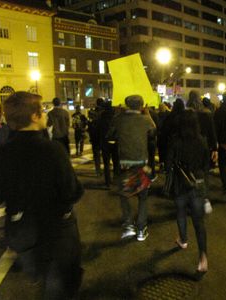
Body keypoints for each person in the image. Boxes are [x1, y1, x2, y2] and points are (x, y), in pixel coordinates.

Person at [0, 91, 83, 299]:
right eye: (41, 110)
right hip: (55, 232)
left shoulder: (2, 153)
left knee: (40, 275)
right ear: (34, 116)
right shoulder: (52, 150)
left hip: (22, 232)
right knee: (59, 287)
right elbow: (72, 192)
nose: (44, 114)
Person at [166, 110, 209, 272]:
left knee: (181, 212)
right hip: (197, 184)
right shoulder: (203, 141)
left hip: (180, 184)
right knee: (199, 222)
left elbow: (168, 163)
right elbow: (206, 166)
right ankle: (203, 257)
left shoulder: (175, 141)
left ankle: (183, 240)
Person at [110, 95, 155, 241]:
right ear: (141, 105)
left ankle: (129, 225)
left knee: (125, 194)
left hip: (124, 163)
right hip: (141, 162)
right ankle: (141, 229)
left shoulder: (119, 119)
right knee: (143, 197)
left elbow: (110, 134)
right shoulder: (146, 119)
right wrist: (147, 113)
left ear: (127, 105)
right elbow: (153, 131)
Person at [88, 98, 105, 176]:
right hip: (103, 136)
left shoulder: (92, 112)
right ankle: (106, 169)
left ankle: (98, 170)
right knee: (105, 154)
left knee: (96, 154)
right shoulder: (105, 113)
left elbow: (89, 124)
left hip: (94, 136)